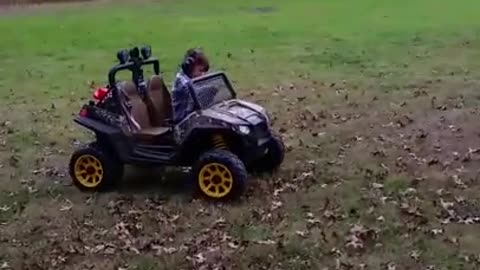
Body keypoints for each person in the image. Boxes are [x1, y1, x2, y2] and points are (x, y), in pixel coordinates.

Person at [171, 48, 210, 123]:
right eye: (200, 71)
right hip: (183, 121)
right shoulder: (181, 82)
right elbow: (197, 94)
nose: (203, 75)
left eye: (204, 72)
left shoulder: (193, 78)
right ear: (189, 66)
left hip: (193, 117)